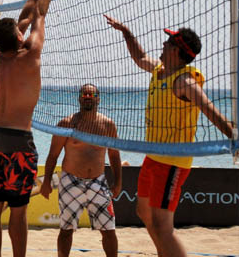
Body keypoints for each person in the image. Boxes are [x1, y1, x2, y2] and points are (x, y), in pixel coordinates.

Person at [104, 15, 235, 257]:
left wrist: (232, 137)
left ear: (176, 50)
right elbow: (140, 57)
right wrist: (126, 32)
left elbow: (209, 108)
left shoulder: (184, 81)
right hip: (154, 156)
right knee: (143, 212)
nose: (163, 45)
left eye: (168, 42)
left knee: (164, 226)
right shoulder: (160, 70)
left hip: (173, 161)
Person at [0, 0, 65, 257]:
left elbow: (25, 17)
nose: (23, 28)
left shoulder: (0, 58)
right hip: (19, 141)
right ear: (19, 37)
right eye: (20, 30)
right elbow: (39, 14)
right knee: (18, 210)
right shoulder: (30, 54)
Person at [40, 83, 122, 257]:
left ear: (98, 98)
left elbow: (114, 156)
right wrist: (46, 181)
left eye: (91, 95)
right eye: (84, 94)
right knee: (67, 229)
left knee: (108, 229)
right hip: (71, 181)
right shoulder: (67, 124)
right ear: (79, 98)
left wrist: (118, 182)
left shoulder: (108, 125)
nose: (87, 97)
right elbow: (53, 155)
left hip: (98, 181)